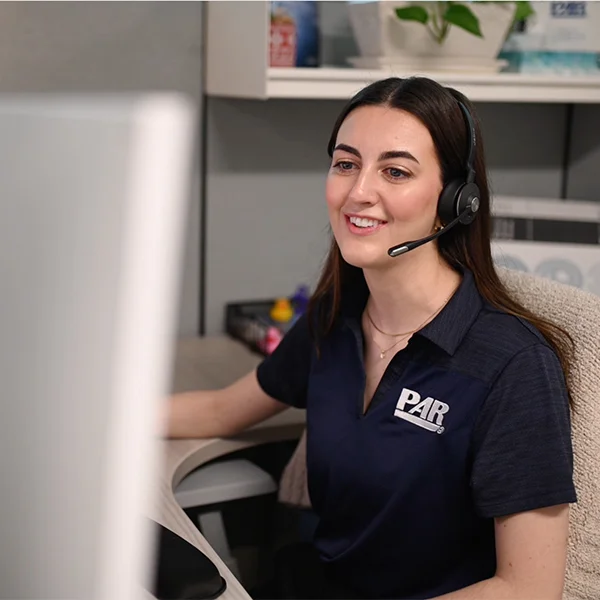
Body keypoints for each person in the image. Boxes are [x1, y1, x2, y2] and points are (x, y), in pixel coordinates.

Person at [166, 77, 577, 600]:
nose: (359, 192)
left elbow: (529, 589)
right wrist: (82, 421)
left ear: (455, 200)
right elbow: (223, 410)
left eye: (396, 171)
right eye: (346, 163)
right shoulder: (336, 316)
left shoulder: (511, 365)